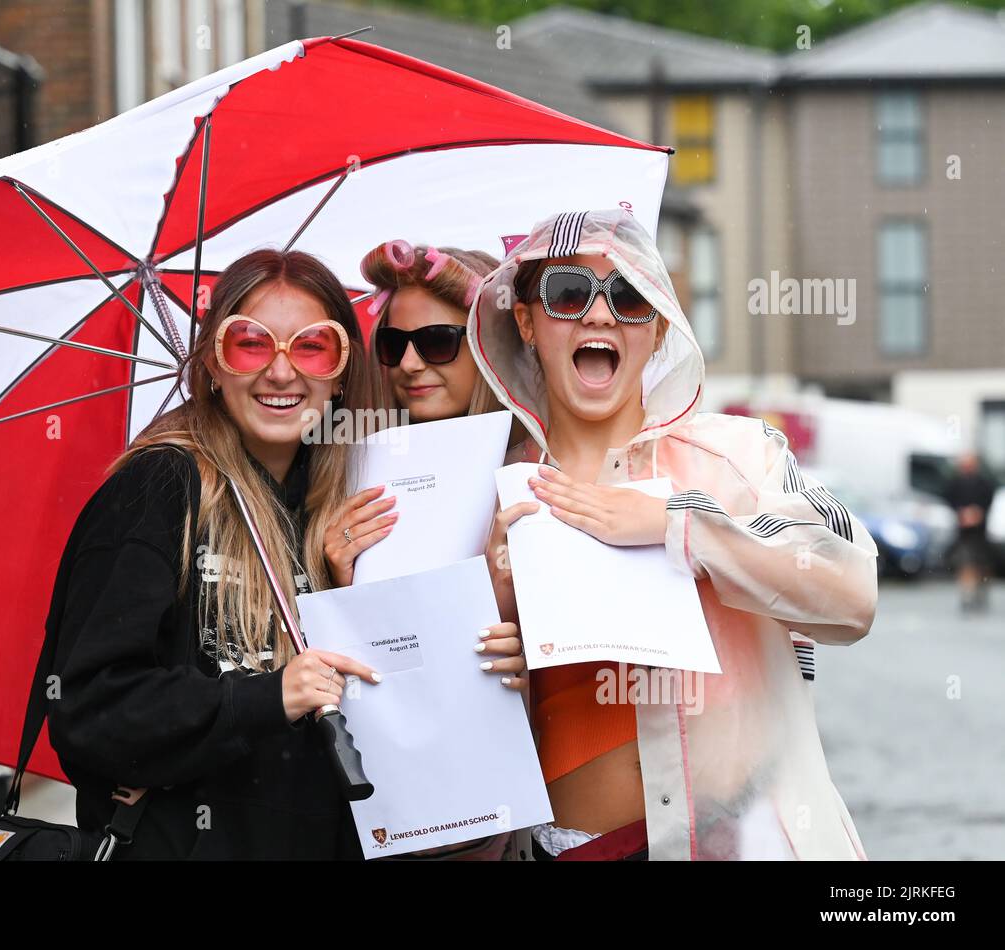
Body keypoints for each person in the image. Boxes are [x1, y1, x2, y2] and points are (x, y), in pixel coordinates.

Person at [472, 208, 879, 860]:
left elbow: (851, 596)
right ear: (525, 320)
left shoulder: (736, 457)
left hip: (740, 843)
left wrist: (676, 525)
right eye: (568, 292)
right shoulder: (494, 492)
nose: (600, 315)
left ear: (659, 326)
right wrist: (494, 606)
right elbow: (458, 736)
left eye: (629, 297)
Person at [44, 248, 382, 859]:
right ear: (212, 366)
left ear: (341, 372)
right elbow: (87, 710)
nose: (282, 372)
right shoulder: (158, 490)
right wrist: (267, 696)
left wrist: (348, 593)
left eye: (312, 346)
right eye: (251, 344)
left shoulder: (347, 507)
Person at [324, 239, 525, 861]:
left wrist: (530, 660)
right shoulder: (347, 469)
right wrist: (335, 579)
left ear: (492, 345)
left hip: (510, 804)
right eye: (392, 345)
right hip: (392, 800)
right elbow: (347, 664)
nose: (409, 363)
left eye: (438, 341)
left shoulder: (537, 470)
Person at [944, 452, 996, 611]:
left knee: (982, 565)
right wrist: (962, 513)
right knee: (965, 563)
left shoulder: (984, 483)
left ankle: (980, 592)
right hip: (963, 533)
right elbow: (949, 500)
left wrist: (978, 513)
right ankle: (967, 594)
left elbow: (988, 502)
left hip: (981, 532)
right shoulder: (955, 483)